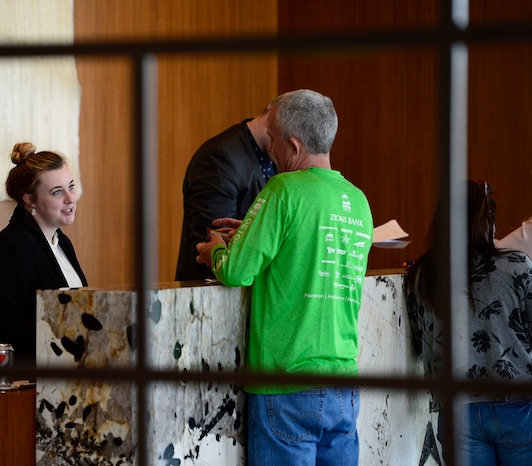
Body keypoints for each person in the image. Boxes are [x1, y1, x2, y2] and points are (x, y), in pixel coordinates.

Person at [196, 89, 374, 465]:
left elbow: (235, 271)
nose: (270, 149)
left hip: (286, 382)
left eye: (273, 140)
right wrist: (253, 230)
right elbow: (309, 252)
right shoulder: (358, 199)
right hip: (343, 381)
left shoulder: (283, 189)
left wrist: (216, 251)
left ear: (293, 145)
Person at [405, 180, 532, 465]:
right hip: (519, 403)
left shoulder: (421, 276)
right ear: (489, 222)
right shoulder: (517, 265)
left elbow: (418, 341)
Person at [0, 142, 87, 369]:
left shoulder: (62, 242)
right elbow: (1, 327)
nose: (70, 198)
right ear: (29, 200)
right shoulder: (9, 248)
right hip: (16, 386)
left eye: (71, 187)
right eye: (57, 192)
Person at [175, 102, 278, 281]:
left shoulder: (273, 156)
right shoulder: (218, 158)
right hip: (210, 297)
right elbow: (210, 244)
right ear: (274, 118)